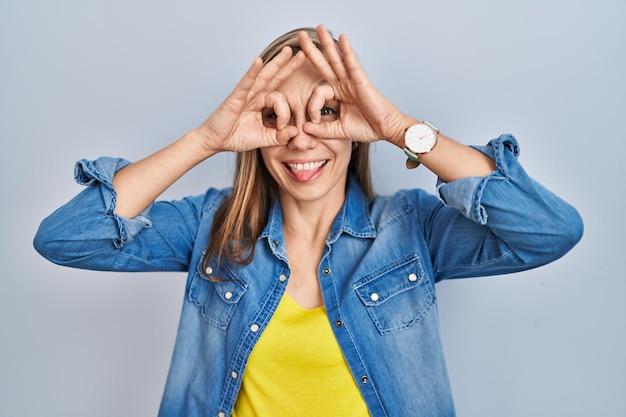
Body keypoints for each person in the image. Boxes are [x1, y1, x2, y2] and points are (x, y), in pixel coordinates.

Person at [33, 24, 583, 417]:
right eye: (278, 114)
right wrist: (206, 140)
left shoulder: (411, 230)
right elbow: (64, 239)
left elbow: (550, 229)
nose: (301, 137)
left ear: (355, 122)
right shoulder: (212, 228)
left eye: (326, 111)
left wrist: (398, 126)